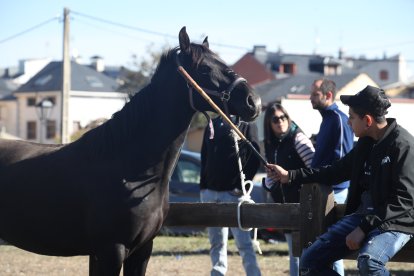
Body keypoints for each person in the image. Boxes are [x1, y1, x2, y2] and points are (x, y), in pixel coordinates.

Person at [267, 85, 414, 275]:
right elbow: (334, 171)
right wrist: (290, 176)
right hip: (363, 218)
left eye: (351, 117)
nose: (348, 123)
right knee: (309, 261)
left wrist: (363, 227)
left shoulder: (403, 146)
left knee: (370, 263)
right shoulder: (366, 144)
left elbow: (404, 200)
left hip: (394, 222)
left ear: (367, 120)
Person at [200, 115, 262, 276]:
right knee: (216, 242)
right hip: (211, 193)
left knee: (244, 243)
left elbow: (255, 156)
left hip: (234, 194)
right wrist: (203, 186)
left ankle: (253, 273)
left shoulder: (246, 124)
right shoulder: (213, 123)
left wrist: (242, 186)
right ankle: (218, 272)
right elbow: (205, 154)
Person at [263, 103, 315, 276]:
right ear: (269, 124)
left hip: (304, 205)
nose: (280, 122)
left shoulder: (297, 139)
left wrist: (289, 175)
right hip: (284, 206)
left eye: (283, 117)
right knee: (294, 255)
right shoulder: (271, 144)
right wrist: (268, 182)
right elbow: (271, 180)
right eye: (275, 119)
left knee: (305, 255)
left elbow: (314, 169)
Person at [309, 78, 354, 275]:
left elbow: (343, 163)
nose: (310, 98)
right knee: (322, 249)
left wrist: (329, 190)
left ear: (328, 95)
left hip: (335, 193)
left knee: (331, 250)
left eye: (315, 94)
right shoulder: (327, 118)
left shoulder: (338, 119)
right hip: (322, 192)